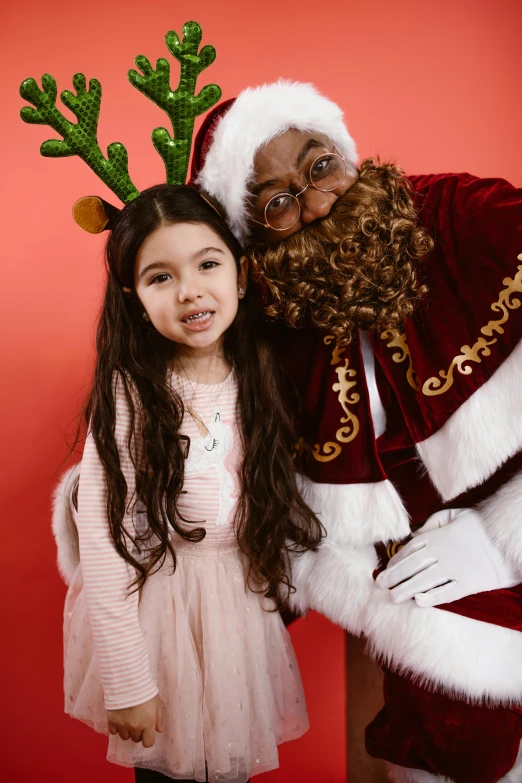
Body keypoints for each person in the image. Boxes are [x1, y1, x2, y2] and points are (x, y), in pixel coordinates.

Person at [189, 80, 522, 783]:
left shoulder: (464, 217)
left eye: (319, 166)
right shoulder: (268, 338)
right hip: (423, 610)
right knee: (455, 747)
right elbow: (267, 506)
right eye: (277, 201)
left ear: (347, 154)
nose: (315, 204)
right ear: (254, 234)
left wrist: (502, 529)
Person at [57, 183, 325, 783]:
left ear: (241, 273)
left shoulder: (261, 373)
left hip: (237, 610)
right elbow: (103, 538)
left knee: (229, 768)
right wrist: (128, 680)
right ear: (135, 298)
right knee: (170, 771)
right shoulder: (133, 395)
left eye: (207, 264)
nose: (190, 290)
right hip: (163, 617)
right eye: (160, 277)